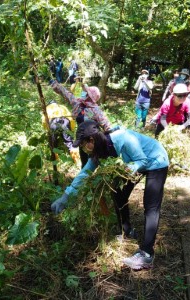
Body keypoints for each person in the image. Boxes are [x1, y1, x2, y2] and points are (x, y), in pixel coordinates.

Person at [51, 120, 169, 270]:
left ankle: (146, 254)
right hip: (137, 161)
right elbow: (84, 173)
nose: (83, 148)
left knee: (151, 206)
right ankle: (126, 231)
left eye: (82, 144)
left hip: (155, 159)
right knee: (118, 193)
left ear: (91, 140)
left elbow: (142, 160)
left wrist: (128, 169)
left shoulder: (124, 138)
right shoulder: (99, 150)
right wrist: (65, 197)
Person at [50, 80, 112, 167]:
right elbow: (68, 95)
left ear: (90, 96)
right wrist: (56, 86)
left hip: (92, 140)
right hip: (81, 138)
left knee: (93, 161)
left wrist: (110, 140)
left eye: (86, 92)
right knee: (84, 161)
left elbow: (106, 125)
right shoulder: (78, 104)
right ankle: (85, 177)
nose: (83, 93)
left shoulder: (95, 110)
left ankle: (96, 176)